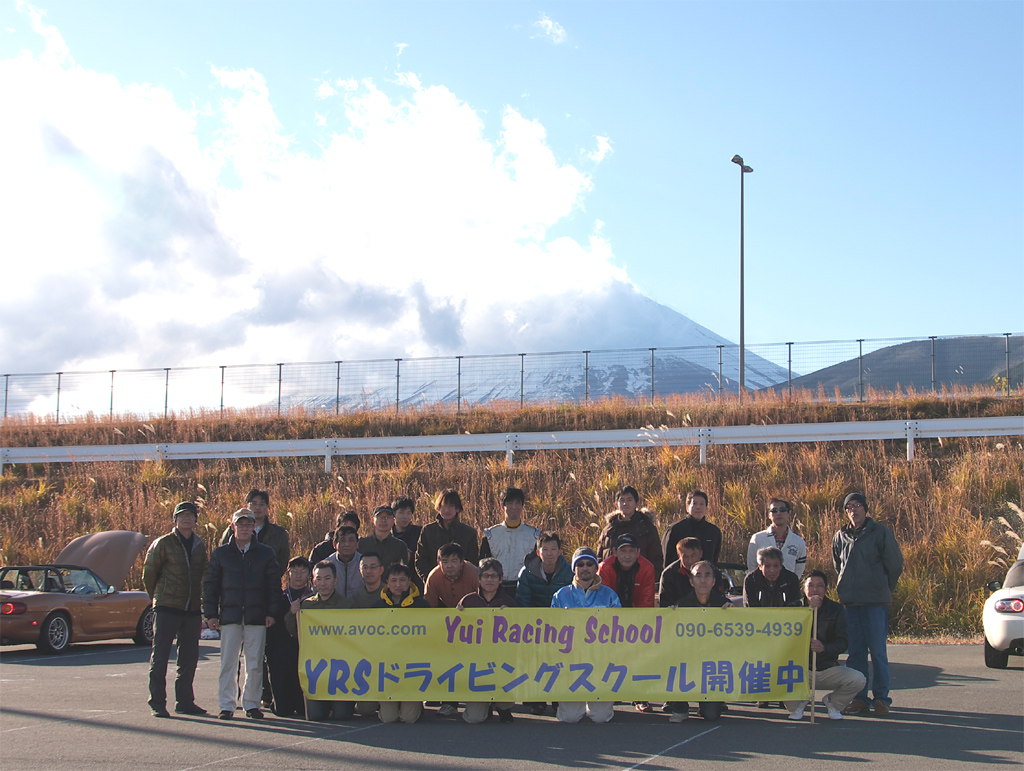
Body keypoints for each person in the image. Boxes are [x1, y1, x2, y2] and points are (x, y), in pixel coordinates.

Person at [203, 508, 283, 720]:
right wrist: (211, 614)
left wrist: (272, 613)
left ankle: (252, 703)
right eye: (241, 524)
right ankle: (227, 705)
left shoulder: (265, 553)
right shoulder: (221, 554)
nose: (245, 528)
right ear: (233, 527)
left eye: (248, 524)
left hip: (257, 616)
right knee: (228, 663)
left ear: (254, 527)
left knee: (254, 663)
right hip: (230, 617)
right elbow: (211, 585)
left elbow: (273, 586)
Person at [832, 492, 904, 717]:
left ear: (865, 508)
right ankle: (859, 699)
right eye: (849, 507)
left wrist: (882, 587)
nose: (853, 510)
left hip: (874, 603)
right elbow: (838, 565)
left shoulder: (880, 532)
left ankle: (881, 698)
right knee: (855, 654)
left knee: (878, 653)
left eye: (857, 505)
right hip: (851, 603)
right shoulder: (840, 536)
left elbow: (895, 564)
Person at [143, 501, 209, 718]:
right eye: (182, 515)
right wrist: (158, 598)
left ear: (196, 520)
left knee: (189, 658)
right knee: (160, 656)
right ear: (175, 519)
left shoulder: (199, 545)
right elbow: (149, 573)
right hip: (167, 607)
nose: (186, 519)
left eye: (190, 515)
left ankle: (185, 701)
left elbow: (203, 574)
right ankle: (157, 702)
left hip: (191, 608)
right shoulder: (163, 543)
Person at [551, 547, 622, 724]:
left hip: (601, 662)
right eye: (580, 564)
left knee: (600, 717)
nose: (585, 568)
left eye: (589, 564)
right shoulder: (561, 595)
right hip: (571, 662)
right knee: (569, 718)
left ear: (596, 567)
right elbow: (552, 630)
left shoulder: (609, 595)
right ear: (574, 568)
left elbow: (620, 629)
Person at [784, 570, 867, 721]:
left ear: (826, 589)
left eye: (820, 586)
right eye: (811, 586)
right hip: (801, 668)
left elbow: (843, 642)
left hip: (828, 667)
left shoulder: (836, 610)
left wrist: (824, 648)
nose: (815, 589)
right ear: (803, 588)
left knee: (858, 679)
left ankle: (833, 703)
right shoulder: (793, 608)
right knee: (780, 676)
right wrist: (809, 610)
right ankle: (799, 703)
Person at [285, 561, 360, 721]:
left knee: (342, 715)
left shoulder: (347, 606)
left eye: (327, 578)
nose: (323, 583)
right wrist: (292, 614)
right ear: (313, 581)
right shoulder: (307, 605)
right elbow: (295, 633)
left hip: (341, 668)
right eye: (319, 579)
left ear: (335, 580)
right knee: (315, 715)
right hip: (316, 667)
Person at [517, 531, 573, 716]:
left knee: (559, 662)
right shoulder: (527, 573)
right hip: (535, 625)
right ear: (538, 552)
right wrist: (536, 624)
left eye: (553, 549)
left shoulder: (569, 572)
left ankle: (558, 699)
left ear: (560, 552)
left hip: (561, 625)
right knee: (536, 662)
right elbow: (523, 602)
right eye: (545, 549)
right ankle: (537, 700)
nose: (549, 553)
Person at [598, 533, 656, 713]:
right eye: (623, 551)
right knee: (610, 655)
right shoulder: (605, 567)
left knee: (639, 655)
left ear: (638, 552)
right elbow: (603, 598)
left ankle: (640, 695)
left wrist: (636, 626)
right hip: (610, 620)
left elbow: (646, 601)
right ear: (615, 552)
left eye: (632, 551)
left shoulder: (647, 568)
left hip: (637, 618)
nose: (628, 555)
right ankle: (611, 691)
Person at [669, 561, 731, 722]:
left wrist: (733, 615)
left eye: (707, 575)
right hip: (688, 660)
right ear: (691, 581)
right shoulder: (682, 605)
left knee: (711, 716)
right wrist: (669, 616)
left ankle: (707, 705)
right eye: (698, 576)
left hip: (712, 664)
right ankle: (680, 708)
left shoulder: (724, 605)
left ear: (714, 581)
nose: (703, 580)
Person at [457, 559, 517, 724]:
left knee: (506, 688)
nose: (489, 579)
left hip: (501, 662)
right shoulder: (468, 601)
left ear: (501, 579)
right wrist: (458, 615)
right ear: (479, 579)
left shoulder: (509, 603)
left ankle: (503, 707)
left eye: (494, 576)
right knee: (474, 718)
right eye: (485, 576)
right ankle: (485, 706)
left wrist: (513, 616)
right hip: (475, 665)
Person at [374, 563, 428, 724]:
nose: (398, 584)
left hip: (412, 667)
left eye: (402, 580)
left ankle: (417, 704)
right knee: (388, 718)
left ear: (409, 581)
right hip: (386, 669)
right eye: (394, 580)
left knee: (408, 718)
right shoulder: (377, 607)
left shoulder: (422, 606)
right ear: (387, 583)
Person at [267, 557, 314, 718]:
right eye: (295, 571)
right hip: (281, 651)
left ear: (309, 574)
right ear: (289, 572)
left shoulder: (312, 597)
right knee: (283, 710)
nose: (298, 575)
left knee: (303, 709)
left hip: (304, 652)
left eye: (303, 571)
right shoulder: (280, 597)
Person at [479, 487, 541, 594]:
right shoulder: (491, 535)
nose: (514, 507)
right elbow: (482, 565)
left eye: (517, 503)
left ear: (522, 506)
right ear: (502, 506)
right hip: (496, 589)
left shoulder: (534, 535)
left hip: (524, 588)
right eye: (510, 503)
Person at [220, 489, 290, 577]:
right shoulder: (232, 530)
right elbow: (222, 556)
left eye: (262, 504)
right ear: (246, 507)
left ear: (267, 508)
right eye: (253, 503)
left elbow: (282, 562)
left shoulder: (278, 533)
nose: (257, 507)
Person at [415, 489, 479, 583]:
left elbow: (472, 562)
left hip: (462, 585)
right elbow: (421, 560)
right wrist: (432, 580)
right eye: (443, 506)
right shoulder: (428, 531)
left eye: (451, 506)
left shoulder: (469, 533)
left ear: (457, 508)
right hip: (434, 584)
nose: (447, 510)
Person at [597, 486, 664, 577]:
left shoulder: (647, 528)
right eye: (622, 500)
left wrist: (653, 579)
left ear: (637, 503)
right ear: (616, 504)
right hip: (611, 580)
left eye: (629, 500)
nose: (625, 503)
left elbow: (656, 558)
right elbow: (600, 558)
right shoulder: (609, 530)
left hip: (640, 579)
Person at [746, 498, 807, 578]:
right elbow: (752, 566)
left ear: (788, 514)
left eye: (782, 510)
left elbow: (799, 569)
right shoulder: (757, 539)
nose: (778, 513)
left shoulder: (799, 542)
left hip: (788, 584)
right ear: (769, 515)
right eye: (774, 511)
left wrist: (791, 583)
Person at [662, 491, 722, 570]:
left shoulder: (714, 532)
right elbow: (665, 560)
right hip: (678, 576)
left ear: (706, 508)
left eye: (701, 504)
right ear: (687, 507)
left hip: (704, 576)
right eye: (694, 503)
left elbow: (714, 561)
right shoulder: (675, 529)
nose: (698, 507)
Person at [358, 506, 410, 572]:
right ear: (372, 520)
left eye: (387, 517)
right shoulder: (362, 543)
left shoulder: (400, 546)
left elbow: (403, 571)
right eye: (380, 517)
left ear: (393, 521)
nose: (383, 520)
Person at [659, 537, 704, 607]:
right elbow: (665, 603)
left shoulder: (711, 571)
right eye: (685, 557)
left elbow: (718, 599)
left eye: (693, 556)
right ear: (679, 556)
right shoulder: (669, 574)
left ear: (701, 553)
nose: (690, 561)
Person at [324, 526, 364, 598]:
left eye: (351, 540)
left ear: (357, 544)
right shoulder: (326, 565)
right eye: (342, 540)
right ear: (334, 544)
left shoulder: (365, 563)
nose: (347, 544)